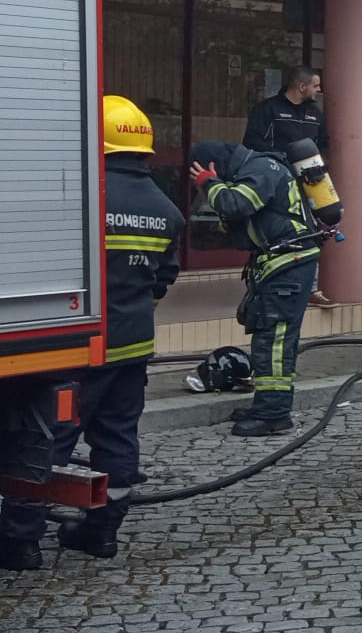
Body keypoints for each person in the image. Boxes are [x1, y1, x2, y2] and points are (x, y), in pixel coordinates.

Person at [0, 97, 183, 571]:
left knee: (44, 439)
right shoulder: (166, 210)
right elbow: (162, 280)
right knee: (118, 439)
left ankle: (20, 541)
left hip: (76, 348)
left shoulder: (77, 198)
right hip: (133, 348)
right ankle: (101, 532)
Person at [187, 139, 321, 437]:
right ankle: (266, 405)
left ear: (213, 165)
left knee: (274, 341)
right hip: (281, 264)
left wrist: (209, 183)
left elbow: (236, 203)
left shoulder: (260, 168)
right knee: (267, 338)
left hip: (288, 265)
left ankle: (274, 414)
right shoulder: (255, 169)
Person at [242, 65, 336, 308]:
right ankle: (262, 281)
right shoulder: (268, 110)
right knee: (271, 230)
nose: (319, 90)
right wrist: (279, 158)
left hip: (309, 183)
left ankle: (310, 289)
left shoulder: (315, 114)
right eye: (315, 85)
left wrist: (320, 164)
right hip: (276, 183)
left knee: (312, 231)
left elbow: (325, 143)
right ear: (301, 86)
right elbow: (251, 142)